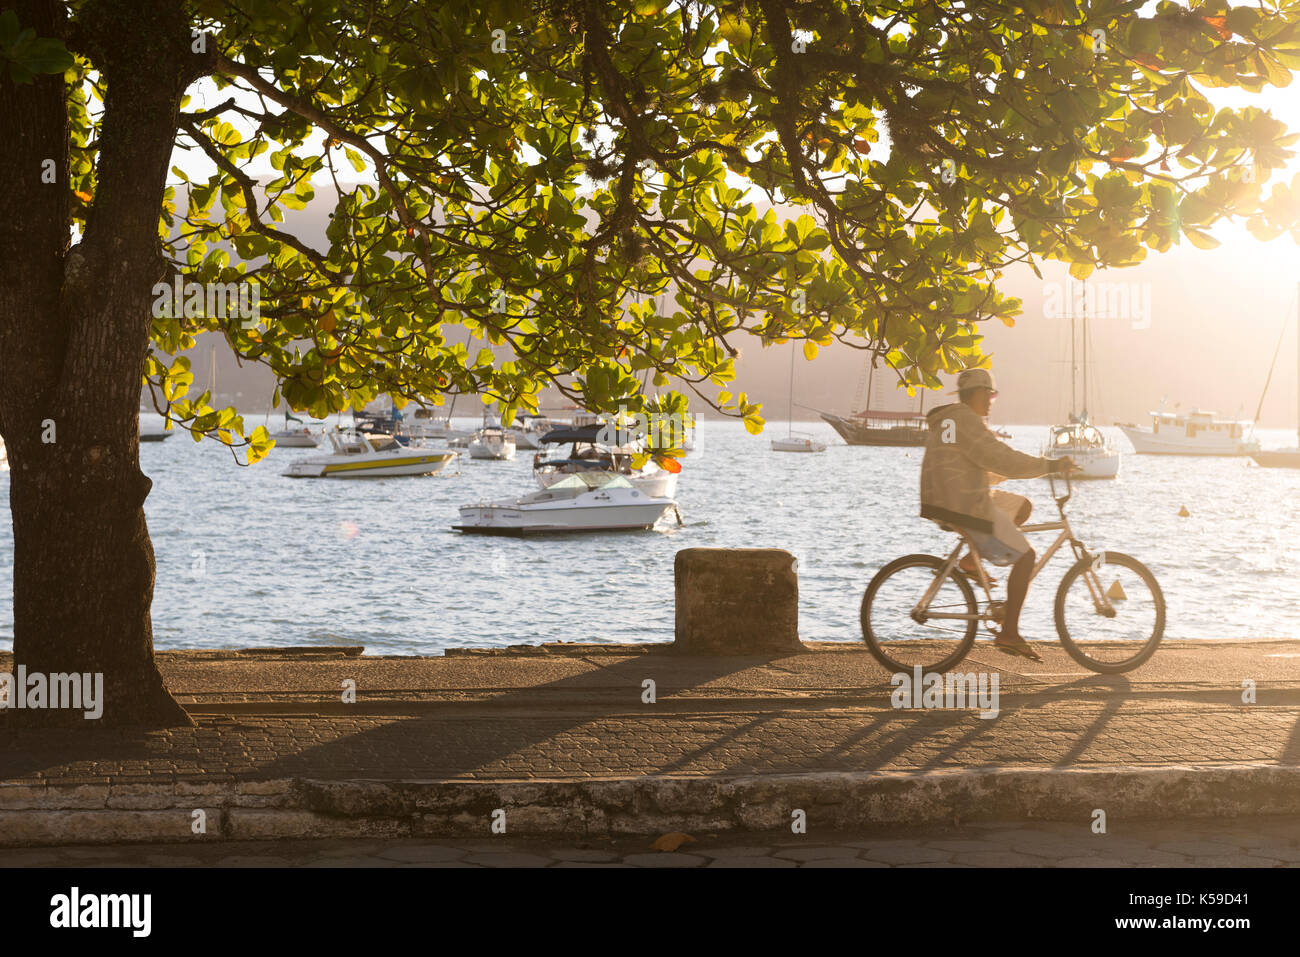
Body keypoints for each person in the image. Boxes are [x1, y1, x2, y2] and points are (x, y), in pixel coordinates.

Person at [920, 368, 1074, 661]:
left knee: (1023, 507)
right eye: (990, 394)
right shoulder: (966, 420)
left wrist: (1027, 470)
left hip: (953, 496)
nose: (992, 400)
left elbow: (982, 465)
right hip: (964, 504)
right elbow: (1000, 458)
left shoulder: (955, 420)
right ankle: (1010, 634)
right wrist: (1050, 466)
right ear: (977, 394)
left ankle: (969, 559)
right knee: (1027, 557)